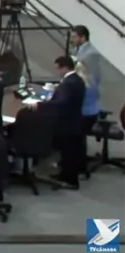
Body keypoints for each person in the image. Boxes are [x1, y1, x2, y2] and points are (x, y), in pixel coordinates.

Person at [36, 55, 86, 188]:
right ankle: (65, 175)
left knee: (68, 153)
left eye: (58, 68)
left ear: (65, 68)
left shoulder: (69, 83)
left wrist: (39, 105)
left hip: (67, 124)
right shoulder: (77, 80)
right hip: (74, 122)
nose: (57, 71)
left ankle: (71, 181)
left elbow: (60, 103)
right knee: (68, 153)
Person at [71, 25, 101, 168]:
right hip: (82, 97)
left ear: (83, 37)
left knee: (76, 132)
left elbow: (91, 80)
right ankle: (76, 160)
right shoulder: (79, 51)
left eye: (74, 37)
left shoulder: (91, 55)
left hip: (87, 102)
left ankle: (78, 164)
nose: (72, 39)